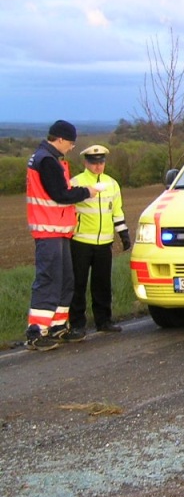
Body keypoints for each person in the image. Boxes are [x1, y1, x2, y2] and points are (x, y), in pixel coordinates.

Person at [25, 119, 99, 350]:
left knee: (66, 279)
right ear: (60, 139)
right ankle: (36, 332)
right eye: (71, 143)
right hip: (49, 230)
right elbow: (60, 194)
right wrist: (87, 191)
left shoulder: (48, 158)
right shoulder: (47, 161)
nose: (72, 147)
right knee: (49, 279)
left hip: (58, 231)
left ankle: (57, 326)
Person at [70, 144, 132, 334]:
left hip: (105, 242)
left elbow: (116, 210)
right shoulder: (75, 182)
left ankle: (104, 321)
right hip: (80, 241)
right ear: (85, 162)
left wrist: (123, 233)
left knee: (102, 283)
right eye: (93, 162)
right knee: (78, 284)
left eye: (101, 162)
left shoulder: (112, 184)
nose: (98, 166)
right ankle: (77, 324)